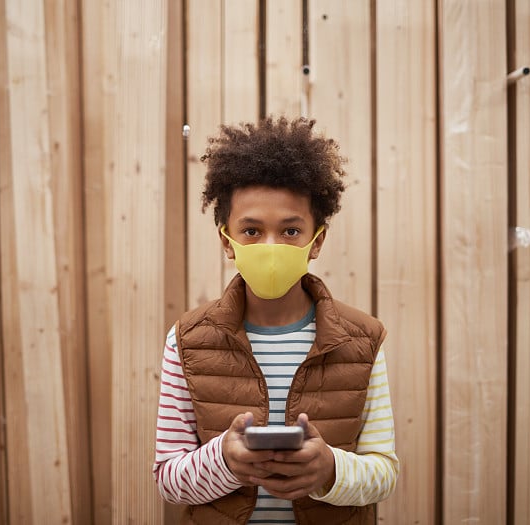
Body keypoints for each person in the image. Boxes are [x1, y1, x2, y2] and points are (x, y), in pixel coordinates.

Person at [153, 116, 399, 524]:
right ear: (226, 240)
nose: (270, 246)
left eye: (289, 231)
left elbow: (384, 473)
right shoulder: (185, 341)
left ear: (316, 241)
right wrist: (225, 461)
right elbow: (168, 479)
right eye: (251, 230)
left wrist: (330, 471)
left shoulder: (365, 341)